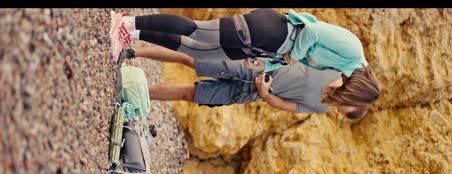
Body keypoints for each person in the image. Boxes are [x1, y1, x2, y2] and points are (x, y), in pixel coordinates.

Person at [109, 9, 380, 111]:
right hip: (272, 30)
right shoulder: (353, 51)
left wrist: (264, 64)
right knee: (197, 29)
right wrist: (292, 57)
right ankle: (126, 22)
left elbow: (293, 59)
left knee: (195, 50)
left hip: (266, 49)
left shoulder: (342, 67)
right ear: (359, 89)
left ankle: (131, 33)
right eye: (350, 97)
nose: (343, 93)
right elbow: (311, 31)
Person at [118, 45, 375, 119]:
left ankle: (133, 93)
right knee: (194, 60)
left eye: (340, 111)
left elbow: (287, 106)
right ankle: (132, 51)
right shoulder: (336, 68)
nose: (336, 108)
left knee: (191, 94)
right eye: (343, 106)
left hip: (251, 92)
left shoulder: (321, 106)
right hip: (258, 65)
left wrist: (265, 95)